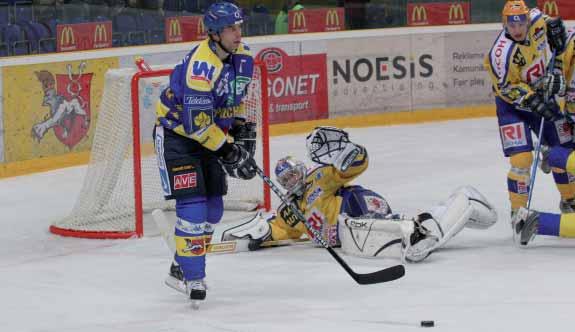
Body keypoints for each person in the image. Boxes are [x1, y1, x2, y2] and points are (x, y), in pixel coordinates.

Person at [224, 126, 497, 262]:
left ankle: (458, 204)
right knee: (400, 248)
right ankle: (455, 209)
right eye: (285, 179)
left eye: (294, 173)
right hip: (348, 239)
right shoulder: (289, 209)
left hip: (358, 210)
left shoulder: (318, 177)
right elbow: (281, 229)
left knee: (407, 240)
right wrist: (260, 236)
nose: (292, 180)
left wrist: (349, 154)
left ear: (303, 169)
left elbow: (353, 167)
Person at [153, 2, 258, 304]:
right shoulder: (201, 68)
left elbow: (235, 96)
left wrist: (236, 125)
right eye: (230, 29)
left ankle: (180, 264)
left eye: (239, 27)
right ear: (214, 33)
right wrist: (227, 149)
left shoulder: (243, 56)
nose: (238, 34)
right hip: (178, 137)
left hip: (207, 135)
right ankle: (193, 275)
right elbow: (197, 126)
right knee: (194, 208)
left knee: (214, 211)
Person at [483, 0, 572, 220]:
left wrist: (556, 29)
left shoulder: (537, 20)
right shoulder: (500, 54)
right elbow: (505, 88)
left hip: (541, 93)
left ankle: (569, 200)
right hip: (511, 107)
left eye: (521, 22)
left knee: (563, 148)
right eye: (512, 25)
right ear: (504, 23)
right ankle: (518, 213)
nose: (517, 29)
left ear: (526, 19)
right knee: (522, 159)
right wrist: (534, 102)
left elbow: (555, 27)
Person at [515, 28, 575, 245]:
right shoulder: (569, 39)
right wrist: (554, 81)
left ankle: (539, 222)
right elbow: (555, 67)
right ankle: (556, 156)